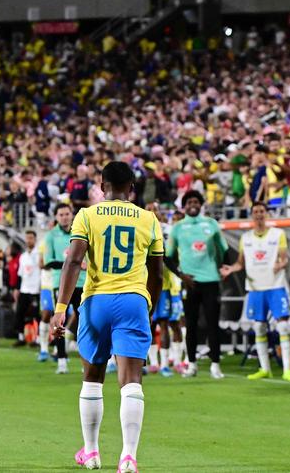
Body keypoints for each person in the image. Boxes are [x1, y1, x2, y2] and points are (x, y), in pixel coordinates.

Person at [51, 161, 163, 473]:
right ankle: (128, 456)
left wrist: (60, 309)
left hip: (96, 301)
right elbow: (158, 273)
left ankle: (91, 452)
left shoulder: (86, 215)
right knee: (131, 381)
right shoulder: (149, 219)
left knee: (92, 378)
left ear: (102, 186)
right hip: (133, 299)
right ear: (132, 189)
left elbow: (73, 261)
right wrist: (148, 305)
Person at [220, 201, 290, 382]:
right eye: (255, 211)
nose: (258, 214)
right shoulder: (245, 238)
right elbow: (240, 263)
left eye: (262, 211)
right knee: (259, 327)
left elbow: (284, 259)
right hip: (255, 289)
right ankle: (265, 368)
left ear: (267, 214)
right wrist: (231, 269)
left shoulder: (278, 234)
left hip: (275, 286)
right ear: (251, 215)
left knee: (283, 326)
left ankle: (288, 370)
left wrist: (280, 264)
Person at [166, 189, 229, 379]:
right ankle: (191, 364)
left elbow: (224, 250)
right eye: (189, 202)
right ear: (184, 206)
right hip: (190, 283)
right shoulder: (177, 228)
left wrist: (222, 268)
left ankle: (215, 366)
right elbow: (167, 257)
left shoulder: (211, 224)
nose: (193, 205)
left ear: (201, 205)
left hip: (210, 280)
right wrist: (181, 275)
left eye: (196, 202)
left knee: (212, 324)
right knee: (191, 325)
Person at [41, 203, 80, 372]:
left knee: (87, 320)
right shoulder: (51, 236)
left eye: (67, 213)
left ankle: (88, 360)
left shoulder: (80, 232)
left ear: (72, 215)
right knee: (59, 321)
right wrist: (72, 264)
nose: (64, 217)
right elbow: (48, 261)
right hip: (61, 284)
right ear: (56, 217)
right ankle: (61, 360)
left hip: (82, 282)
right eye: (61, 214)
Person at [150, 262, 184, 377]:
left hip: (163, 288)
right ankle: (156, 363)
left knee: (168, 324)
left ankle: (164, 363)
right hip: (152, 288)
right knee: (153, 326)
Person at [16, 230, 42, 348]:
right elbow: (21, 274)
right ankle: (21, 337)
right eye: (27, 238)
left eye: (31, 238)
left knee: (36, 315)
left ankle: (38, 338)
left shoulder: (39, 254)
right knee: (20, 313)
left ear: (35, 239)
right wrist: (17, 288)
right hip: (24, 289)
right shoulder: (23, 256)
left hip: (36, 289)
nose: (28, 240)